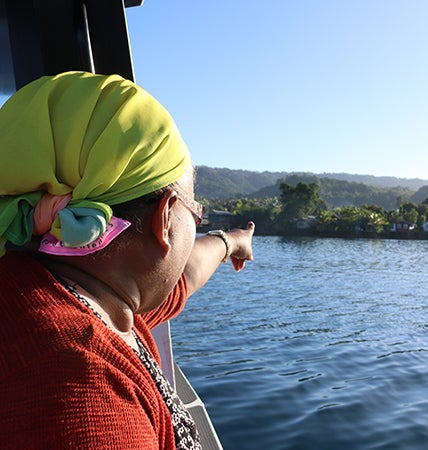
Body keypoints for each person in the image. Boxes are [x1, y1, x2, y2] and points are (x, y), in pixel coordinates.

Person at [0, 71, 255, 449]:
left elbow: (183, 274)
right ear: (165, 218)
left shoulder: (58, 289)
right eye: (195, 212)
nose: (195, 226)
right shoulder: (81, 384)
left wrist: (230, 241)